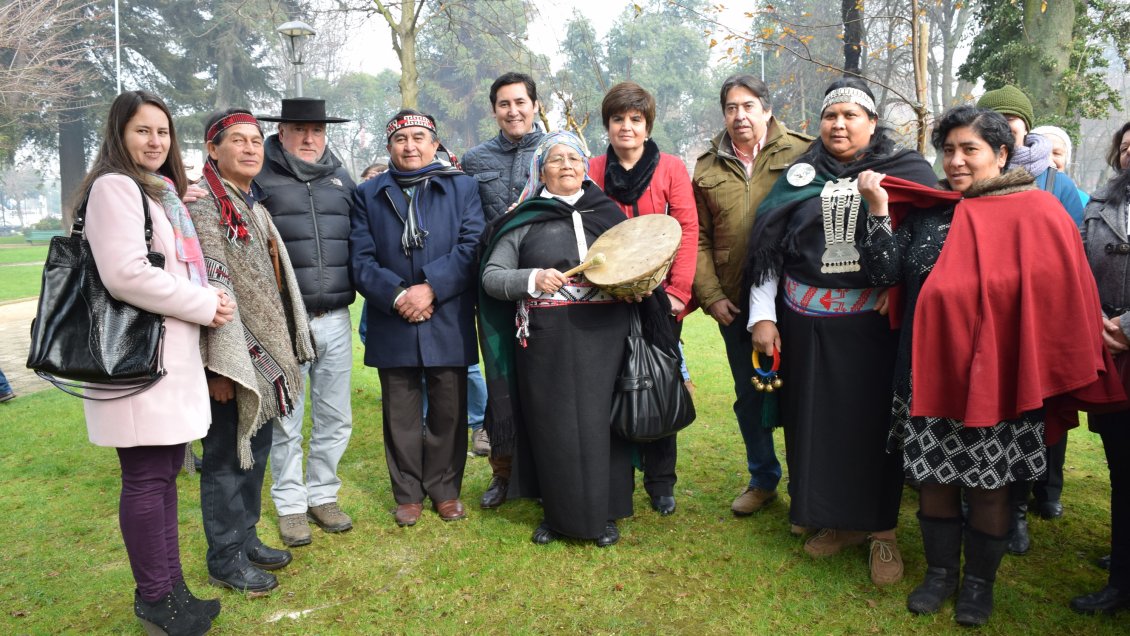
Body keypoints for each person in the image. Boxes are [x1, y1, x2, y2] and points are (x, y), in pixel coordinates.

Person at [856, 105, 1123, 626]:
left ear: (1001, 154)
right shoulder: (931, 210)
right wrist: (880, 210)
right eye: (948, 149)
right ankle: (939, 576)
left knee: (990, 484)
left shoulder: (1038, 212)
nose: (955, 160)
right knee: (934, 479)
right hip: (927, 373)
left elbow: (1064, 292)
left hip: (1000, 381)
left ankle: (978, 585)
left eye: (969, 149)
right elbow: (885, 271)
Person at [745, 78, 938, 586]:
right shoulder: (799, 176)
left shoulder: (907, 172)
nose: (839, 124)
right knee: (813, 424)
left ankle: (881, 532)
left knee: (872, 428)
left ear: (872, 124)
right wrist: (762, 315)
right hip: (804, 323)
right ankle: (834, 519)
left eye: (852, 116)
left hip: (873, 332)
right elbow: (769, 249)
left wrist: (903, 290)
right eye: (832, 116)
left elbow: (933, 243)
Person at [81, 90, 233, 635]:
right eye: (142, 130)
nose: (155, 141)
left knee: (165, 474)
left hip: (165, 358)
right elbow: (126, 273)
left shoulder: (161, 192)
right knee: (146, 478)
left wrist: (207, 293)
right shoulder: (114, 188)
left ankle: (171, 589)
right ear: (119, 135)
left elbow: (173, 264)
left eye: (163, 131)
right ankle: (155, 598)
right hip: (136, 362)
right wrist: (203, 303)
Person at [479, 130, 647, 546]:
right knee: (552, 426)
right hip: (545, 341)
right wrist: (533, 277)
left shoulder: (608, 215)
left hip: (606, 337)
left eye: (574, 158)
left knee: (601, 425)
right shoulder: (522, 219)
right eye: (556, 159)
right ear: (542, 170)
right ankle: (557, 515)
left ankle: (605, 513)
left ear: (586, 165)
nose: (567, 166)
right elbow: (491, 278)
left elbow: (639, 265)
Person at [190, 108, 316, 596]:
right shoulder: (205, 207)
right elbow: (211, 288)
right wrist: (220, 368)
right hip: (229, 361)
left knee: (254, 450)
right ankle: (224, 557)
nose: (249, 148)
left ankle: (244, 539)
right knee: (224, 458)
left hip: (261, 360)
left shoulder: (252, 206)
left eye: (255, 141)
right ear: (212, 149)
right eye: (236, 140)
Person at [350, 109, 484, 527]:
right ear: (389, 146)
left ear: (434, 143)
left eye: (418, 138)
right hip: (394, 316)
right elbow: (361, 257)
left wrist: (431, 287)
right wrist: (398, 295)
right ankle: (407, 493)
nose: (410, 146)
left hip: (446, 310)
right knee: (400, 411)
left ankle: (445, 489)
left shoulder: (462, 187)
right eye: (401, 139)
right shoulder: (368, 194)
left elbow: (472, 244)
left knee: (449, 407)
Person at [691, 74, 810, 518]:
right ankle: (763, 478)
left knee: (801, 392)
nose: (739, 116)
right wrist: (711, 295)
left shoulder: (802, 152)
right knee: (750, 392)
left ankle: (807, 482)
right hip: (736, 303)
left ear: (766, 109)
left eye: (748, 106)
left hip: (798, 298)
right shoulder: (707, 166)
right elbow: (698, 238)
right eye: (730, 108)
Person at [977, 83, 1087, 554]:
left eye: (1012, 123)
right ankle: (978, 499)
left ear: (1022, 132)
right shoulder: (972, 181)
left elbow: (1072, 252)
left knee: (1032, 419)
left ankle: (1019, 508)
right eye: (995, 122)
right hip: (986, 320)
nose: (1005, 129)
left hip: (1035, 323)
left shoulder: (1055, 184)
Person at [587, 81, 697, 516]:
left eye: (635, 119)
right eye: (618, 119)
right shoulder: (594, 168)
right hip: (607, 300)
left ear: (647, 126)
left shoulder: (670, 167)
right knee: (614, 386)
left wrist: (677, 293)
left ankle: (661, 479)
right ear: (608, 126)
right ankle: (620, 477)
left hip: (660, 300)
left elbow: (687, 229)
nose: (626, 127)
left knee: (661, 380)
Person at [255, 98, 357, 548]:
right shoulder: (260, 178)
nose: (310, 138)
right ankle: (291, 505)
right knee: (286, 420)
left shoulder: (341, 178)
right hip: (284, 322)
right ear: (282, 132)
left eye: (317, 129)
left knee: (335, 417)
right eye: (300, 129)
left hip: (335, 317)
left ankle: (323, 494)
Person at [462, 72, 546, 501]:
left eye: (520, 102)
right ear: (493, 109)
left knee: (547, 382)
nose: (513, 111)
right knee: (500, 381)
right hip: (494, 289)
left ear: (534, 104)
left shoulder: (557, 152)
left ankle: (549, 470)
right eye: (503, 104)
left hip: (549, 290)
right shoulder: (474, 160)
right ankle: (503, 472)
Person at [1073, 120, 1130, 615]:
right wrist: (1094, 323)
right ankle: (1122, 576)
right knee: (1121, 466)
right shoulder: (1098, 207)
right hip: (1109, 352)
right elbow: (1074, 270)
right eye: (1126, 147)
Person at [357, 163, 388, 347]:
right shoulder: (364, 198)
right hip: (376, 277)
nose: (367, 182)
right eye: (366, 178)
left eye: (372, 177)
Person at [1033, 124, 1091, 207]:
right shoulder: (1014, 193)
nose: (1049, 161)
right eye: (1041, 152)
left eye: (1056, 153)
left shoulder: (1082, 200)